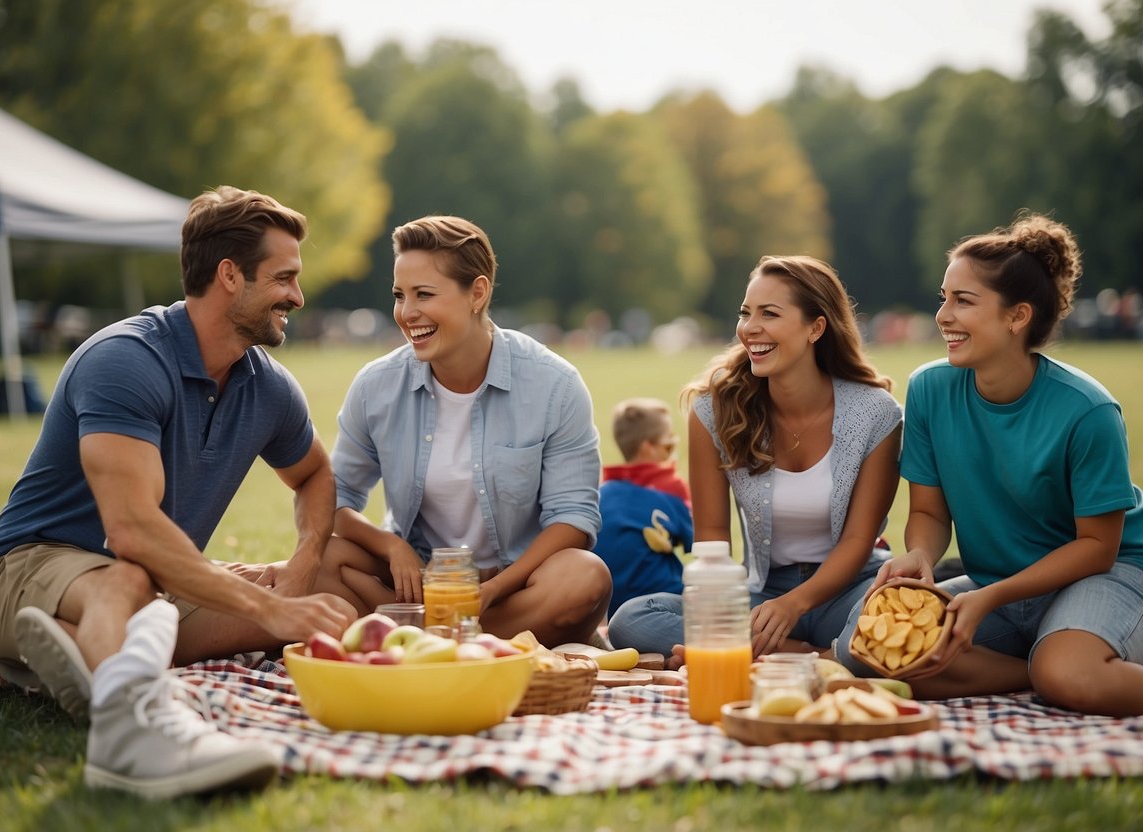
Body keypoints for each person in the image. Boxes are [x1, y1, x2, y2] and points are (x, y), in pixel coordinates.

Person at [0, 186, 356, 798]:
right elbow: (132, 532)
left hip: (158, 585)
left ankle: (84, 663)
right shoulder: (125, 360)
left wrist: (303, 563)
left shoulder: (269, 388)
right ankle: (140, 733)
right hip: (30, 569)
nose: (298, 297)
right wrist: (266, 605)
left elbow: (314, 474)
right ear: (230, 275)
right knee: (133, 582)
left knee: (313, 600)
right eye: (284, 278)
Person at [837, 213, 1143, 717]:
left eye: (963, 301)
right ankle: (1038, 670)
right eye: (943, 297)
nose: (943, 315)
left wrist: (989, 599)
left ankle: (1069, 667)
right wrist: (920, 555)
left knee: (1069, 674)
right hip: (1002, 579)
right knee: (868, 651)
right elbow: (928, 512)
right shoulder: (929, 389)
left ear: (1017, 317)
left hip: (1115, 570)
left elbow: (1098, 547)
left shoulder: (1088, 410)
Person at [316, 215, 611, 647]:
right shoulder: (376, 386)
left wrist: (493, 589)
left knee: (585, 577)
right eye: (400, 295)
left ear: (477, 293)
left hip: (513, 586)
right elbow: (333, 498)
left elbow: (573, 518)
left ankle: (414, 641)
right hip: (415, 581)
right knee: (321, 558)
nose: (406, 313)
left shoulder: (554, 385)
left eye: (424, 294)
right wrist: (388, 546)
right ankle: (471, 643)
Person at [608, 255, 902, 662]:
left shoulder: (876, 414)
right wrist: (718, 614)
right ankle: (813, 656)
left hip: (849, 589)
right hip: (763, 591)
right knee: (632, 618)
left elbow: (857, 541)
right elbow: (712, 535)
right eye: (746, 313)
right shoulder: (714, 411)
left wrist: (794, 606)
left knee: (887, 634)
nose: (749, 328)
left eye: (770, 313)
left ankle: (762, 653)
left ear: (816, 327)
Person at [594, 397, 693, 618]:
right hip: (658, 600)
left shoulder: (601, 492)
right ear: (649, 447)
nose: (672, 452)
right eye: (669, 445)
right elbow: (701, 541)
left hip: (606, 606)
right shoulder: (670, 488)